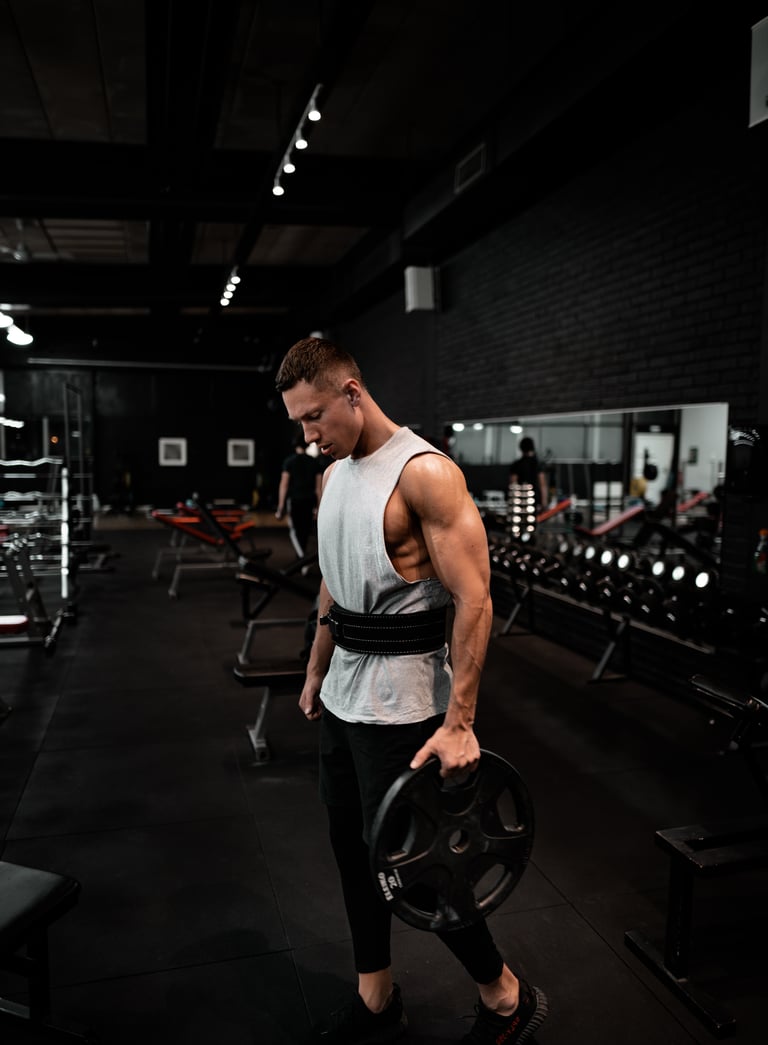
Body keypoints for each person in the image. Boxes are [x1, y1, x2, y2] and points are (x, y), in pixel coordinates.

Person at [275, 337, 547, 1045]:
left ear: (352, 392)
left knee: (417, 863)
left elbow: (475, 599)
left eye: (313, 418)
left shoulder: (425, 474)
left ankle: (505, 995)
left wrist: (462, 721)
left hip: (404, 701)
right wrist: (314, 667)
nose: (307, 436)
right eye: (298, 422)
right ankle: (376, 997)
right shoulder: (333, 477)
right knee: (349, 847)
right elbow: (334, 576)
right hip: (342, 693)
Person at [275, 437, 323, 559]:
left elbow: (284, 485)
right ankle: (302, 560)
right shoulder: (314, 462)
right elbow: (318, 489)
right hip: (309, 501)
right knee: (305, 532)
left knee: (296, 531)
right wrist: (319, 507)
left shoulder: (289, 461)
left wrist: (280, 507)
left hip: (295, 500)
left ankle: (302, 560)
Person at [509, 437, 548, 511]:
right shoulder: (538, 464)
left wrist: (514, 501)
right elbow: (542, 484)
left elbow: (513, 483)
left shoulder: (517, 464)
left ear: (521, 448)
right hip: (535, 501)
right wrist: (544, 502)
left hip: (521, 501)